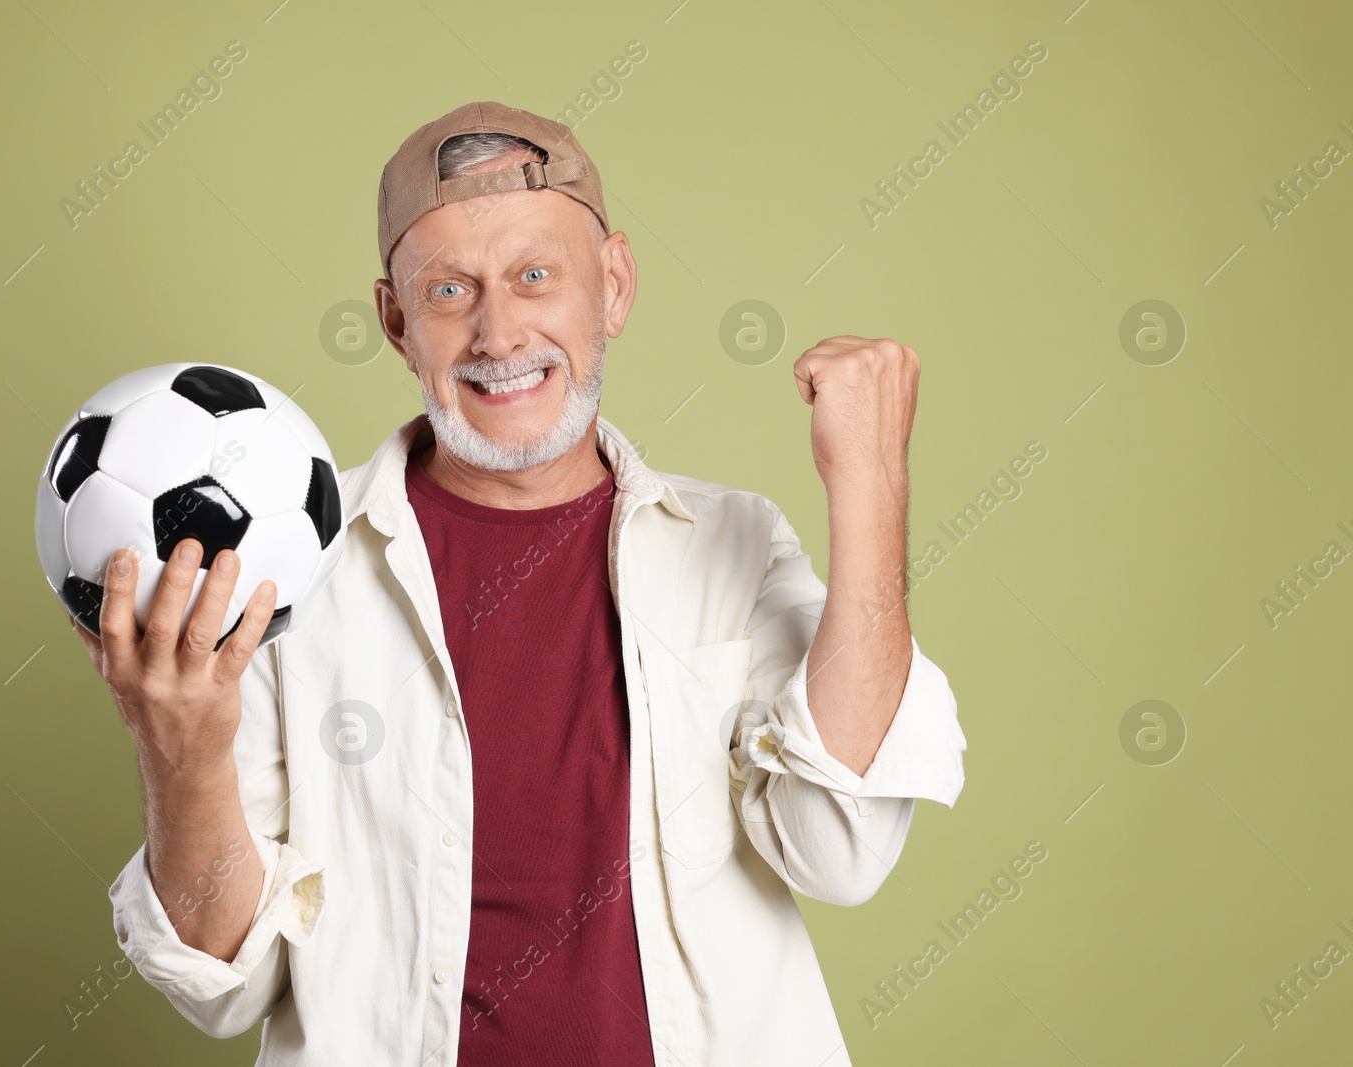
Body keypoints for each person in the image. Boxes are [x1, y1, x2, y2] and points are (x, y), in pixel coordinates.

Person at [72, 101, 967, 1066]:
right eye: (451, 290)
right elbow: (225, 982)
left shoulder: (737, 544)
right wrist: (182, 752)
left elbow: (840, 851)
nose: (499, 333)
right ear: (396, 322)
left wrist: (871, 486)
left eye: (535, 276)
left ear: (614, 286)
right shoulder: (291, 576)